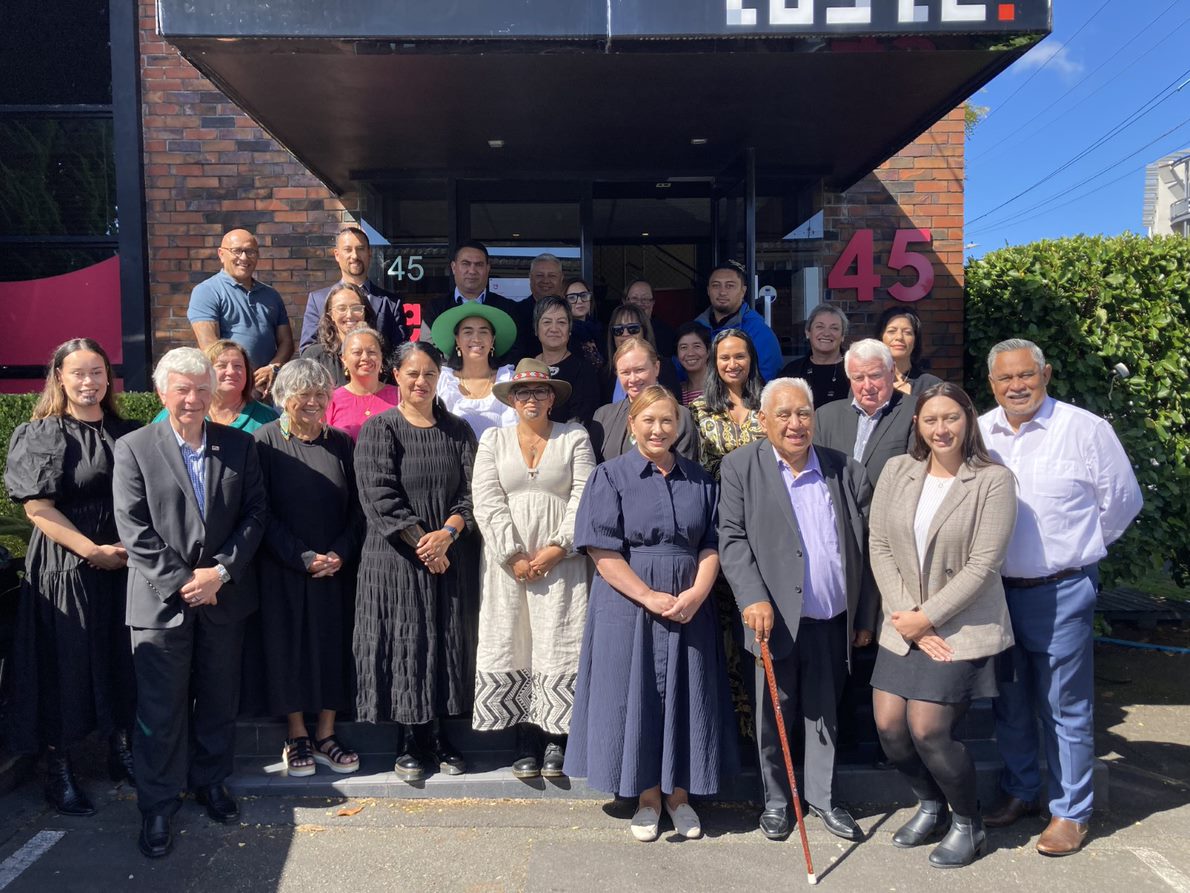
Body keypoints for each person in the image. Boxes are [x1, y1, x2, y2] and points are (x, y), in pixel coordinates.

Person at [978, 339, 1142, 857]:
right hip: (997, 593)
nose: (1017, 386)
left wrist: (1076, 552)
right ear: (993, 385)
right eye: (1006, 379)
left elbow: (1121, 503)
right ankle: (1022, 790)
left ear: (1045, 373)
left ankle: (1070, 811)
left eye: (1026, 375)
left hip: (1062, 590)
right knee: (1010, 700)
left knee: (1064, 704)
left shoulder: (1084, 429)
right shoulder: (981, 432)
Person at [113, 347, 267, 859]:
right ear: (162, 392)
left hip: (224, 596)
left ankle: (210, 782)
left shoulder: (239, 446)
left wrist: (220, 572)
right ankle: (157, 804)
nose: (194, 399)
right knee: (160, 709)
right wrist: (185, 581)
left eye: (203, 388)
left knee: (219, 699)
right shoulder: (134, 447)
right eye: (183, 388)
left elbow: (254, 516)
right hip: (161, 603)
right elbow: (133, 527)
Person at [565, 385, 734, 842]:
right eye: (649, 421)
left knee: (686, 692)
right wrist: (648, 595)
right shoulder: (610, 476)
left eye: (667, 421)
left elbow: (712, 543)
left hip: (689, 603)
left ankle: (680, 797)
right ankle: (645, 798)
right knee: (636, 695)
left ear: (678, 426)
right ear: (633, 425)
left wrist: (699, 591)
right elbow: (601, 549)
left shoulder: (700, 478)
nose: (658, 429)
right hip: (627, 605)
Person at [718, 377, 875, 844]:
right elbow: (731, 538)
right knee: (775, 713)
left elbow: (869, 547)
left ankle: (823, 798)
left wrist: (864, 616)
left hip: (832, 616)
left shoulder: (845, 469)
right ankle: (776, 800)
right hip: (774, 618)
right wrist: (752, 597)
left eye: (803, 413)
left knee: (825, 711)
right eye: (783, 414)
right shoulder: (740, 467)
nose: (794, 423)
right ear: (762, 420)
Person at [868, 382, 1017, 868]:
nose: (941, 429)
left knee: (928, 729)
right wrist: (909, 618)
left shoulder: (993, 479)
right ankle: (929, 803)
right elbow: (879, 545)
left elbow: (983, 565)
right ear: (917, 425)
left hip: (961, 627)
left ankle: (967, 823)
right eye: (930, 419)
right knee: (890, 728)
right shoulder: (898, 470)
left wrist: (927, 619)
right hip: (902, 620)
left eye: (951, 418)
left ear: (968, 420)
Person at [3, 339, 140, 815]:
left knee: (121, 656)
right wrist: (92, 550)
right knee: (67, 666)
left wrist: (124, 553)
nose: (89, 382)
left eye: (98, 372)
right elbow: (38, 507)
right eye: (79, 373)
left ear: (109, 377)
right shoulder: (41, 433)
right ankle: (58, 770)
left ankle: (121, 752)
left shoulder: (129, 431)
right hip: (66, 566)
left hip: (123, 565)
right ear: (59, 376)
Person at [353, 341, 480, 782]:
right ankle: (409, 740)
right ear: (396, 376)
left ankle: (442, 735)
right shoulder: (380, 429)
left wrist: (447, 535)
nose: (421, 381)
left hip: (450, 554)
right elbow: (379, 495)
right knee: (408, 642)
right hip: (396, 560)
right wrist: (423, 544)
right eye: (412, 373)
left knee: (445, 640)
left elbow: (471, 493)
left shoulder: (459, 430)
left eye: (429, 373)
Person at [471, 359, 596, 778]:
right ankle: (524, 738)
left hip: (561, 562)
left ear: (551, 397)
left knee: (558, 640)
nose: (532, 398)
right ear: (512, 399)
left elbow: (584, 494)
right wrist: (514, 554)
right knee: (515, 639)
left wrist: (557, 548)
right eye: (523, 392)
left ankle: (557, 740)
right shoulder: (493, 440)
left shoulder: (574, 437)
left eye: (540, 391)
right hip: (510, 564)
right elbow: (486, 499)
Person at [254, 360, 363, 778]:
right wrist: (301, 557)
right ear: (285, 398)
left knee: (334, 647)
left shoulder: (340, 443)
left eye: (320, 394)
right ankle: (296, 734)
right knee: (288, 649)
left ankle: (326, 734)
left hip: (336, 569)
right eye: (304, 395)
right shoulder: (264, 442)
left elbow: (358, 509)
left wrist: (340, 553)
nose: (313, 402)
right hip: (283, 567)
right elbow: (259, 511)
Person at [689, 329, 767, 739]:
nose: (732, 364)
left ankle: (764, 728)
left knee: (760, 627)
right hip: (719, 528)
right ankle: (732, 729)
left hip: (765, 530)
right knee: (724, 633)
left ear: (751, 359)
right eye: (724, 358)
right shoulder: (699, 410)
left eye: (739, 356)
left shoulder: (770, 405)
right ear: (714, 364)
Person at [187, 228, 293, 395]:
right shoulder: (207, 291)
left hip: (269, 387)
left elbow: (286, 342)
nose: (244, 257)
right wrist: (244, 378)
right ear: (221, 254)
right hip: (230, 388)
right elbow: (209, 346)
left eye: (250, 251)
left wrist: (273, 367)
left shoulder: (271, 295)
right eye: (237, 251)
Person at [813, 338, 916, 491]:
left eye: (875, 376)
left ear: (892, 370)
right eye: (859, 378)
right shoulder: (825, 416)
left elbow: (915, 476)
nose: (867, 386)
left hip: (885, 510)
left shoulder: (914, 411)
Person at [298, 225, 407, 353]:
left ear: (369, 253)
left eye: (360, 249)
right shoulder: (318, 300)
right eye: (348, 249)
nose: (354, 256)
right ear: (337, 255)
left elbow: (400, 353)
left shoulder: (391, 303)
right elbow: (308, 351)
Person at [589, 338, 697, 464]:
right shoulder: (603, 416)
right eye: (625, 372)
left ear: (656, 368)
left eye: (640, 370)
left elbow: (683, 472)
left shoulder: (680, 415)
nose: (633, 379)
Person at [419, 241, 523, 362]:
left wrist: (492, 374)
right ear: (453, 267)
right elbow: (429, 351)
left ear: (488, 269)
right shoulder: (436, 307)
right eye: (466, 264)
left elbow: (516, 350)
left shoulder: (507, 308)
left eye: (479, 265)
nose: (472, 271)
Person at [430, 302, 519, 439]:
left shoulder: (509, 381)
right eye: (468, 332)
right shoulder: (442, 382)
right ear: (457, 340)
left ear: (492, 340)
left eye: (483, 332)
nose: (476, 339)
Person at [151, 340, 279, 434]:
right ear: (206, 373)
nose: (231, 372)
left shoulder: (267, 418)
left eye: (238, 366)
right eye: (222, 366)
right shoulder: (175, 414)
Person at [692, 261, 782, 383]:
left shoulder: (758, 331)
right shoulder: (695, 328)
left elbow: (767, 380)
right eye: (716, 285)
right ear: (708, 290)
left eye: (730, 286)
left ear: (743, 291)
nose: (722, 292)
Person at [534, 295, 601, 427]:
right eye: (547, 322)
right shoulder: (527, 367)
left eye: (561, 322)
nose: (554, 328)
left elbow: (582, 420)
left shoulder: (583, 370)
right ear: (536, 329)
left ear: (569, 330)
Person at [299, 281, 380, 387]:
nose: (349, 315)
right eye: (341, 309)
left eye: (356, 308)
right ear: (331, 315)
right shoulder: (315, 357)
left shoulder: (379, 355)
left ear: (365, 312)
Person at [325, 327, 399, 441]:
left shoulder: (400, 396)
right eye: (357, 353)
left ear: (381, 356)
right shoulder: (331, 400)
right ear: (343, 359)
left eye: (372, 352)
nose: (365, 357)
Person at [603, 303, 681, 402]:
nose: (625, 333)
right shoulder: (605, 374)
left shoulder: (665, 367)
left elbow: (676, 409)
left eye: (633, 328)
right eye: (618, 330)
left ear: (644, 331)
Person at [780, 305, 850, 408]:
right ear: (808, 332)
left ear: (842, 336)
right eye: (820, 327)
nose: (826, 333)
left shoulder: (854, 370)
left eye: (834, 328)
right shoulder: (792, 371)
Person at [876, 306, 943, 396]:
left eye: (907, 332)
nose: (899, 337)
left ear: (915, 340)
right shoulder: (865, 383)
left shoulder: (932, 386)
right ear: (881, 337)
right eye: (892, 331)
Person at [624, 279, 676, 356]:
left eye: (645, 299)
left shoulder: (667, 334)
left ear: (652, 303)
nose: (639, 303)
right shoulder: (616, 331)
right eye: (634, 298)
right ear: (625, 302)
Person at [565, 277, 603, 370]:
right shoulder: (563, 333)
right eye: (572, 297)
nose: (579, 301)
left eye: (584, 295)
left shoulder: (599, 329)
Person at [674, 322, 711, 406]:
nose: (690, 353)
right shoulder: (677, 391)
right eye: (684, 347)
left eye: (697, 346)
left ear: (708, 351)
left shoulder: (721, 387)